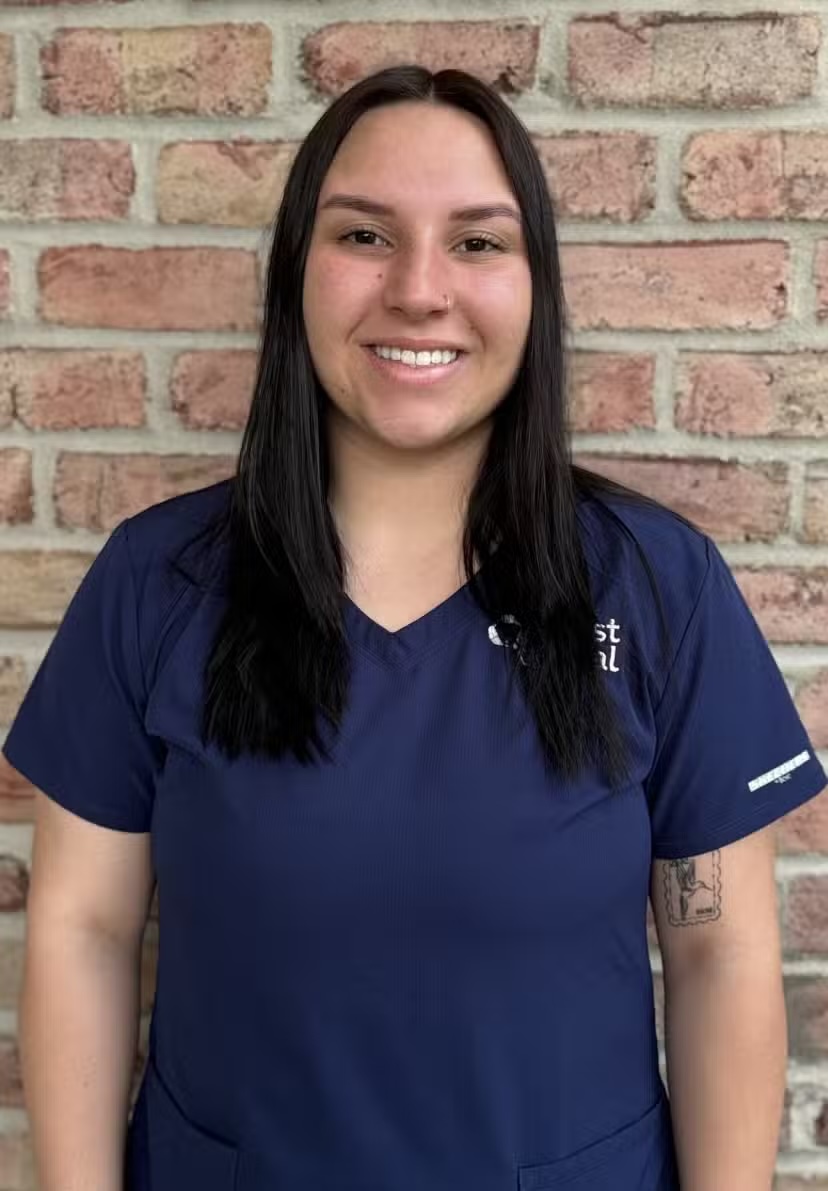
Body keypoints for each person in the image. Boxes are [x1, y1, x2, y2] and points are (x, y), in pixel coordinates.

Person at [3, 63, 825, 1191]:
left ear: (536, 287)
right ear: (299, 268)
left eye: (479, 243)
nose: (421, 291)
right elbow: (85, 931)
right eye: (365, 237)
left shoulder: (656, 586)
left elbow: (718, 951)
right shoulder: (159, 583)